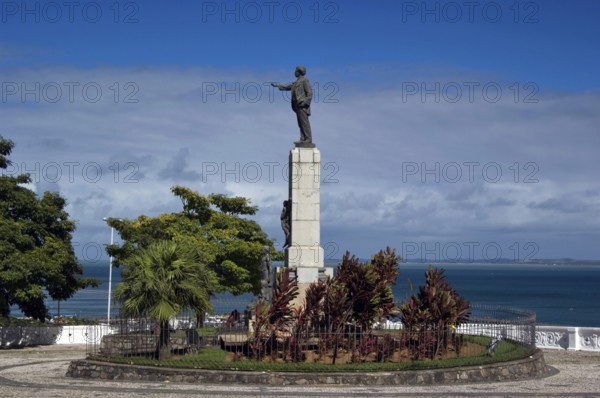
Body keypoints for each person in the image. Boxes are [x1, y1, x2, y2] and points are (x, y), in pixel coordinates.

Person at [272, 66, 313, 143]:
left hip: (302, 105)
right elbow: (287, 87)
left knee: (304, 122)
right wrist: (278, 85)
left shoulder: (305, 81)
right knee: (300, 123)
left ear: (299, 72)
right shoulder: (296, 82)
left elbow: (309, 93)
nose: (294, 72)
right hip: (297, 105)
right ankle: (303, 138)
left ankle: (308, 138)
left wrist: (305, 102)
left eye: (295, 71)